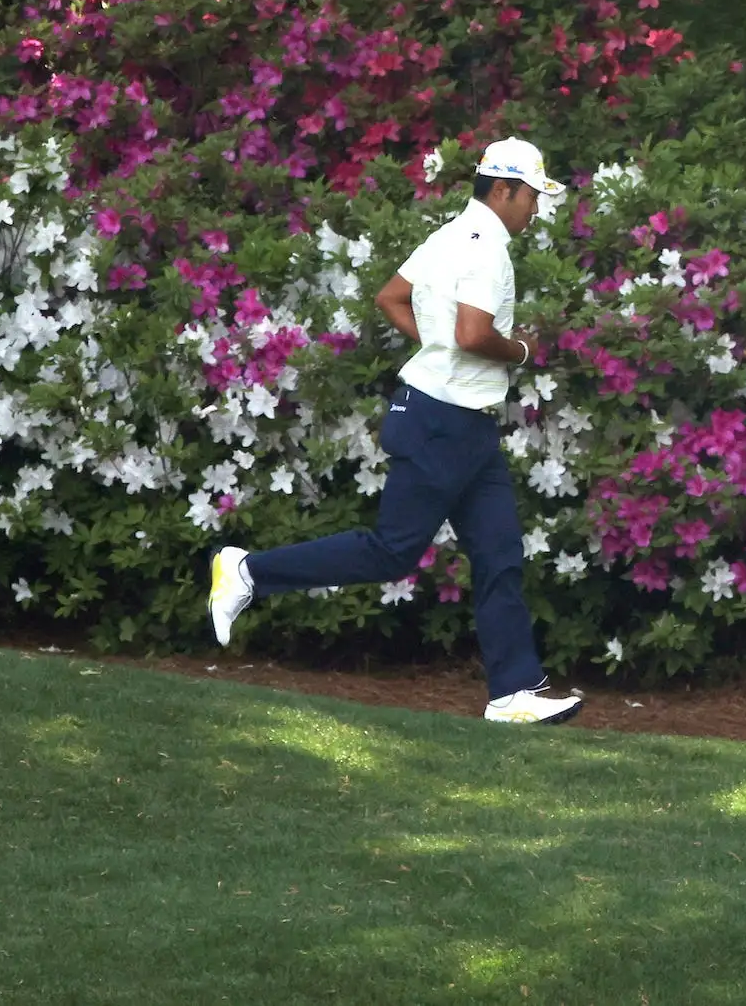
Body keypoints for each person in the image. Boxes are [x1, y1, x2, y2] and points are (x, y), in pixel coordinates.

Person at [205, 137, 582, 725]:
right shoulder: (489, 250)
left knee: (499, 553)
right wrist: (524, 350)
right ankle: (248, 570)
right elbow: (474, 335)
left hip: (462, 425)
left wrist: (436, 347)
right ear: (503, 189)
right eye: (533, 196)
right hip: (443, 423)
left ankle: (514, 693)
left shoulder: (449, 235)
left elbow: (392, 297)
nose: (536, 209)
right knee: (391, 552)